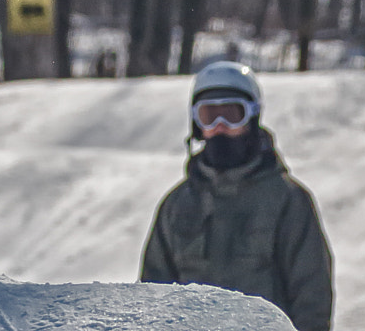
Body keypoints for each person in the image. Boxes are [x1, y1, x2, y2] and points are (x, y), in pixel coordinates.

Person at [140, 61, 334, 331]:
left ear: (253, 117)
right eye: (209, 116)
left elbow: (311, 295)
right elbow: (152, 296)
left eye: (232, 114)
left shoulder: (287, 200)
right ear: (197, 125)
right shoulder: (178, 205)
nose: (220, 127)